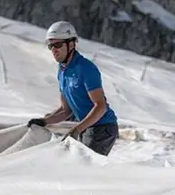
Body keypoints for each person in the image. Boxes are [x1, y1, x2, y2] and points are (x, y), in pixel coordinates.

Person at [27, 20, 119, 156]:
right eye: (50, 46)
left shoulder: (86, 68)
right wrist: (44, 121)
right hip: (85, 127)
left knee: (84, 168)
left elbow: (100, 106)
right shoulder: (62, 70)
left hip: (102, 128)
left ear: (71, 44)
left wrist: (77, 129)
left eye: (57, 45)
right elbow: (66, 110)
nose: (53, 50)